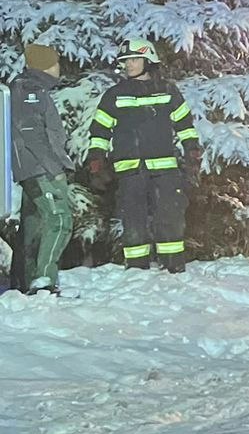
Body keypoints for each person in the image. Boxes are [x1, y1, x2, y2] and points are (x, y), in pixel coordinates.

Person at [87, 39, 199, 271]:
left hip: (164, 170)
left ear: (149, 61)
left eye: (134, 59)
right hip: (130, 169)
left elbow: (185, 124)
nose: (128, 65)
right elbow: (100, 129)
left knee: (169, 218)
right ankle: (137, 269)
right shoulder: (114, 95)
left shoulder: (168, 91)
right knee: (133, 220)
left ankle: (173, 267)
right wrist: (97, 157)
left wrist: (192, 151)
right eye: (125, 61)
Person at [10, 42, 74, 294]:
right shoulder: (30, 90)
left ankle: (27, 282)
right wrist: (53, 167)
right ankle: (44, 280)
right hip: (39, 169)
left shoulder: (26, 87)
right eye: (56, 63)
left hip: (32, 169)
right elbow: (31, 133)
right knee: (59, 219)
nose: (59, 68)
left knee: (34, 226)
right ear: (47, 65)